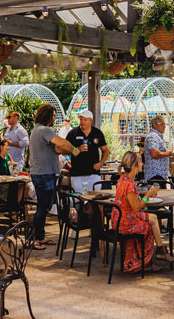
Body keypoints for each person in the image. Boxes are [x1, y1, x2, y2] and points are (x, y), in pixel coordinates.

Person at [29, 103, 85, 250]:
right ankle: (33, 239)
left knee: (45, 206)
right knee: (43, 206)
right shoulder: (44, 130)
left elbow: (58, 149)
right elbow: (60, 142)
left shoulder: (39, 130)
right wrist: (74, 150)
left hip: (44, 173)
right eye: (53, 115)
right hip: (43, 174)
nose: (54, 118)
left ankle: (40, 237)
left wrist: (71, 150)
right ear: (47, 115)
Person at [112, 151, 174, 272]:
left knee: (153, 218)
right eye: (141, 161)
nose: (143, 164)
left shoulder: (123, 180)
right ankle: (145, 261)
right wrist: (148, 195)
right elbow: (136, 207)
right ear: (135, 165)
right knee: (148, 225)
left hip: (121, 218)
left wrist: (144, 195)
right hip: (125, 222)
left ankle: (157, 252)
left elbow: (132, 202)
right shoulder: (129, 185)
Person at [66, 110, 109, 193]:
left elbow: (105, 150)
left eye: (85, 120)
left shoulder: (97, 133)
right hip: (77, 174)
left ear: (91, 121)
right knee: (79, 199)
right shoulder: (73, 133)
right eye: (81, 119)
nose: (82, 122)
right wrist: (76, 150)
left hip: (93, 174)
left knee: (93, 199)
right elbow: (64, 150)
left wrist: (101, 163)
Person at [144, 115, 173, 181]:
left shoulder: (157, 136)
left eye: (165, 124)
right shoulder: (153, 136)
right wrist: (167, 153)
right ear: (154, 125)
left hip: (160, 176)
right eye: (162, 124)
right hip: (155, 176)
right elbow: (154, 153)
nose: (164, 126)